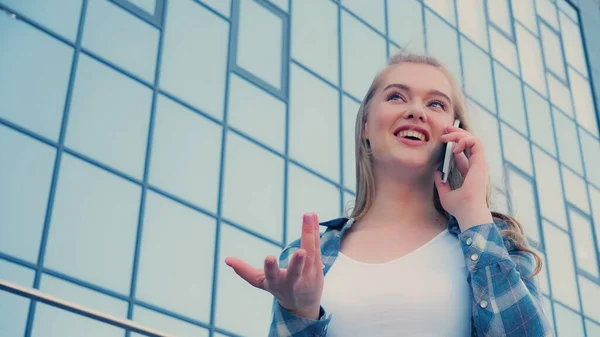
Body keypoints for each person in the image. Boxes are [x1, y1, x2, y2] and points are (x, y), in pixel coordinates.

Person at [224, 52, 553, 337]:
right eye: (397, 97)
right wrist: (302, 313)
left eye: (436, 103)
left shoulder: (494, 243)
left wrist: (474, 215)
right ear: (366, 126)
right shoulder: (307, 257)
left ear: (456, 135)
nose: (416, 111)